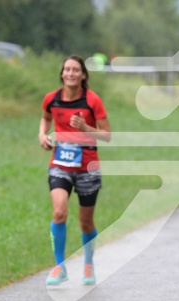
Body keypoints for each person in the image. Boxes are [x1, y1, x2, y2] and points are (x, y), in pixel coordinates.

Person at [38, 55, 112, 286]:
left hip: (87, 167)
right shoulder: (51, 99)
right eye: (67, 70)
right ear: (62, 74)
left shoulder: (92, 101)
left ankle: (88, 263)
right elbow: (45, 118)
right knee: (59, 212)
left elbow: (107, 135)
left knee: (86, 223)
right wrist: (42, 135)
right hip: (60, 164)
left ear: (83, 75)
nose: (70, 73)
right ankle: (60, 267)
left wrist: (86, 127)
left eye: (75, 70)